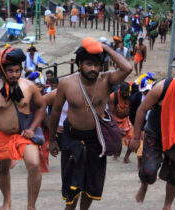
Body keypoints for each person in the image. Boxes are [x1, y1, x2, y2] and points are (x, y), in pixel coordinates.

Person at [48, 37, 132, 209]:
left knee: (92, 186)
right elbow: (55, 111)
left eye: (96, 64)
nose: (93, 68)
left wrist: (105, 48)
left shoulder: (106, 80)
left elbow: (127, 68)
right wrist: (52, 140)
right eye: (88, 64)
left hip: (96, 140)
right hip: (72, 139)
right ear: (79, 64)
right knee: (72, 189)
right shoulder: (66, 84)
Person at [0, 47, 46, 210]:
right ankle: (7, 200)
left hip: (24, 133)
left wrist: (32, 128)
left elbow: (41, 106)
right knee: (2, 168)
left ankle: (31, 206)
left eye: (17, 70)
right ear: (3, 70)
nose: (14, 74)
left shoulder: (29, 86)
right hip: (2, 135)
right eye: (10, 71)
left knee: (34, 164)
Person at [129, 71, 175, 210]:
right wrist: (135, 137)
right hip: (155, 135)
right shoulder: (161, 89)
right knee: (149, 170)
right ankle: (144, 185)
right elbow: (141, 110)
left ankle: (167, 205)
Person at [129, 73, 156, 170]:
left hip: (153, 125)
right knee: (140, 147)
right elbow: (132, 116)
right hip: (138, 124)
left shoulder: (158, 98)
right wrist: (139, 130)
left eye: (149, 90)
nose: (147, 93)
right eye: (145, 91)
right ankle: (140, 164)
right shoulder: (135, 99)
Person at [108, 82, 133, 163]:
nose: (126, 95)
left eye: (127, 93)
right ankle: (116, 155)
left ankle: (126, 157)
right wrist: (116, 127)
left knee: (131, 138)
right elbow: (110, 114)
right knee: (118, 137)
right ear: (120, 91)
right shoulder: (113, 96)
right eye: (124, 93)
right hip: (115, 119)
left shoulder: (132, 95)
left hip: (127, 118)